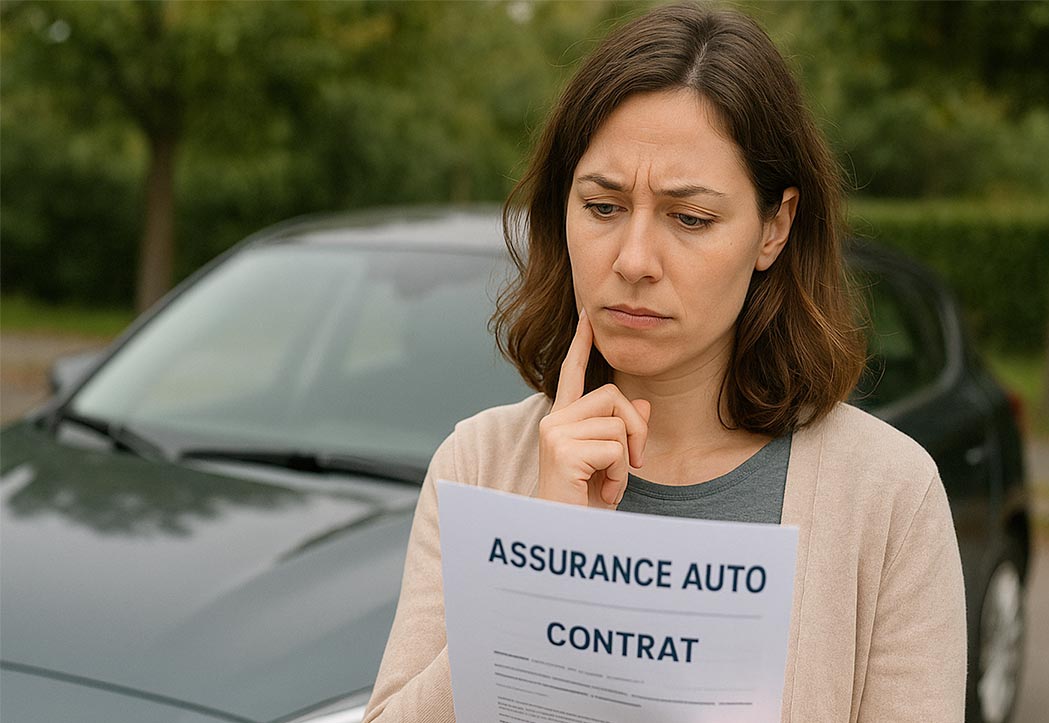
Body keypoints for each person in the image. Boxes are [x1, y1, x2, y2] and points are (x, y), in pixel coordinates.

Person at [364, 3, 967, 722]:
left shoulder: (888, 497)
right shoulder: (479, 464)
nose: (635, 260)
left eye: (690, 218)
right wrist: (539, 556)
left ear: (774, 226)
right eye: (603, 206)